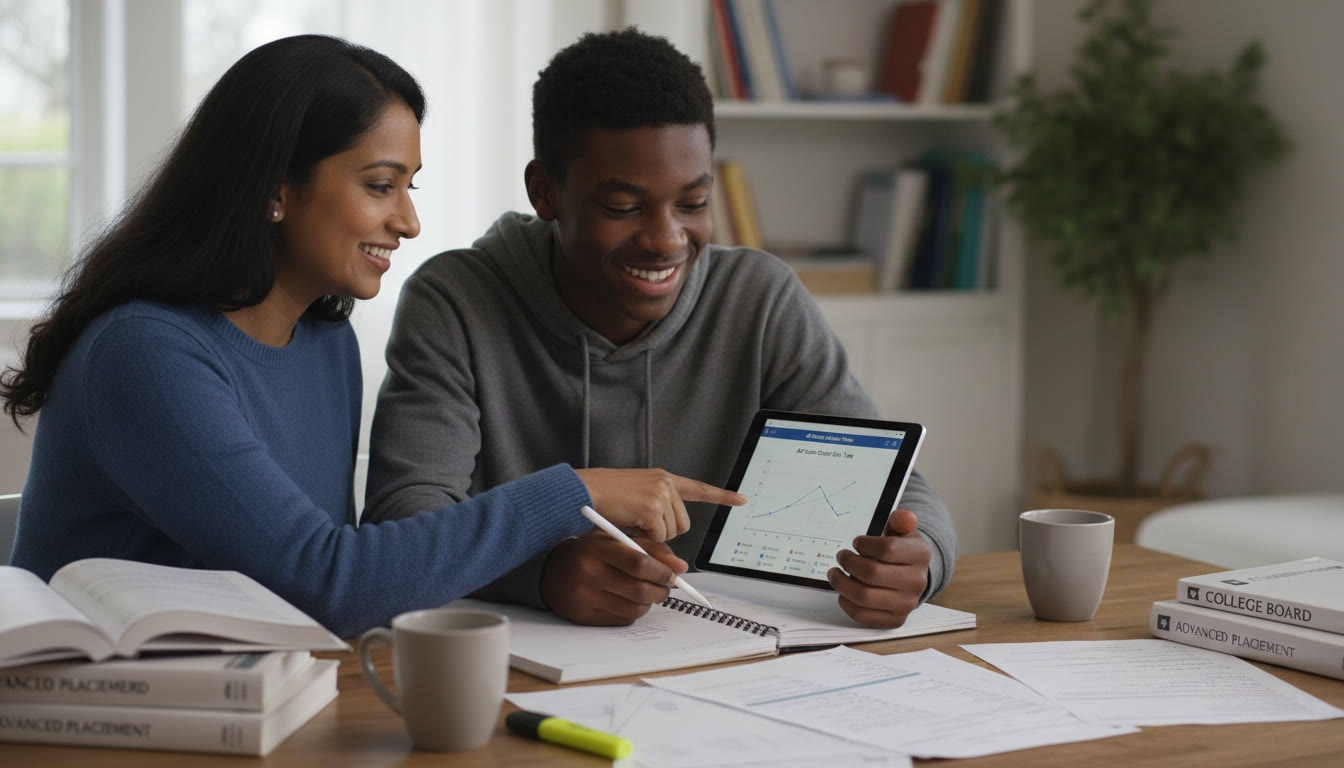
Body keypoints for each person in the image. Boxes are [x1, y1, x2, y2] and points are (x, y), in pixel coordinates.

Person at [1, 34, 708, 639]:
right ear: (275, 187)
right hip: (95, 720)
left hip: (257, 700)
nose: (408, 222)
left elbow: (333, 583)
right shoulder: (144, 355)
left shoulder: (323, 338)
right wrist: (570, 492)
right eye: (380, 186)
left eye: (411, 188)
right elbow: (328, 584)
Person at [364, 28, 957, 629]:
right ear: (546, 191)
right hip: (526, 663)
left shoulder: (759, 299)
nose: (667, 239)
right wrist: (543, 571)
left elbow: (900, 493)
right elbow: (405, 525)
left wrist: (918, 561)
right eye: (623, 208)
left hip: (725, 654)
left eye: (693, 204)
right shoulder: (456, 302)